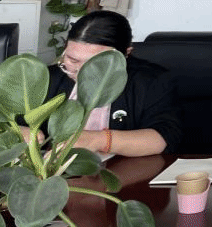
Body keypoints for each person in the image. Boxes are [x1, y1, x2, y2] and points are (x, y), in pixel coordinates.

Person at [45, 10, 182, 156]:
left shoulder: (152, 81)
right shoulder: (48, 77)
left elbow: (164, 136)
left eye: (96, 64)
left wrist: (98, 140)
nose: (82, 72)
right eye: (73, 60)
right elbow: (26, 122)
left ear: (126, 54)